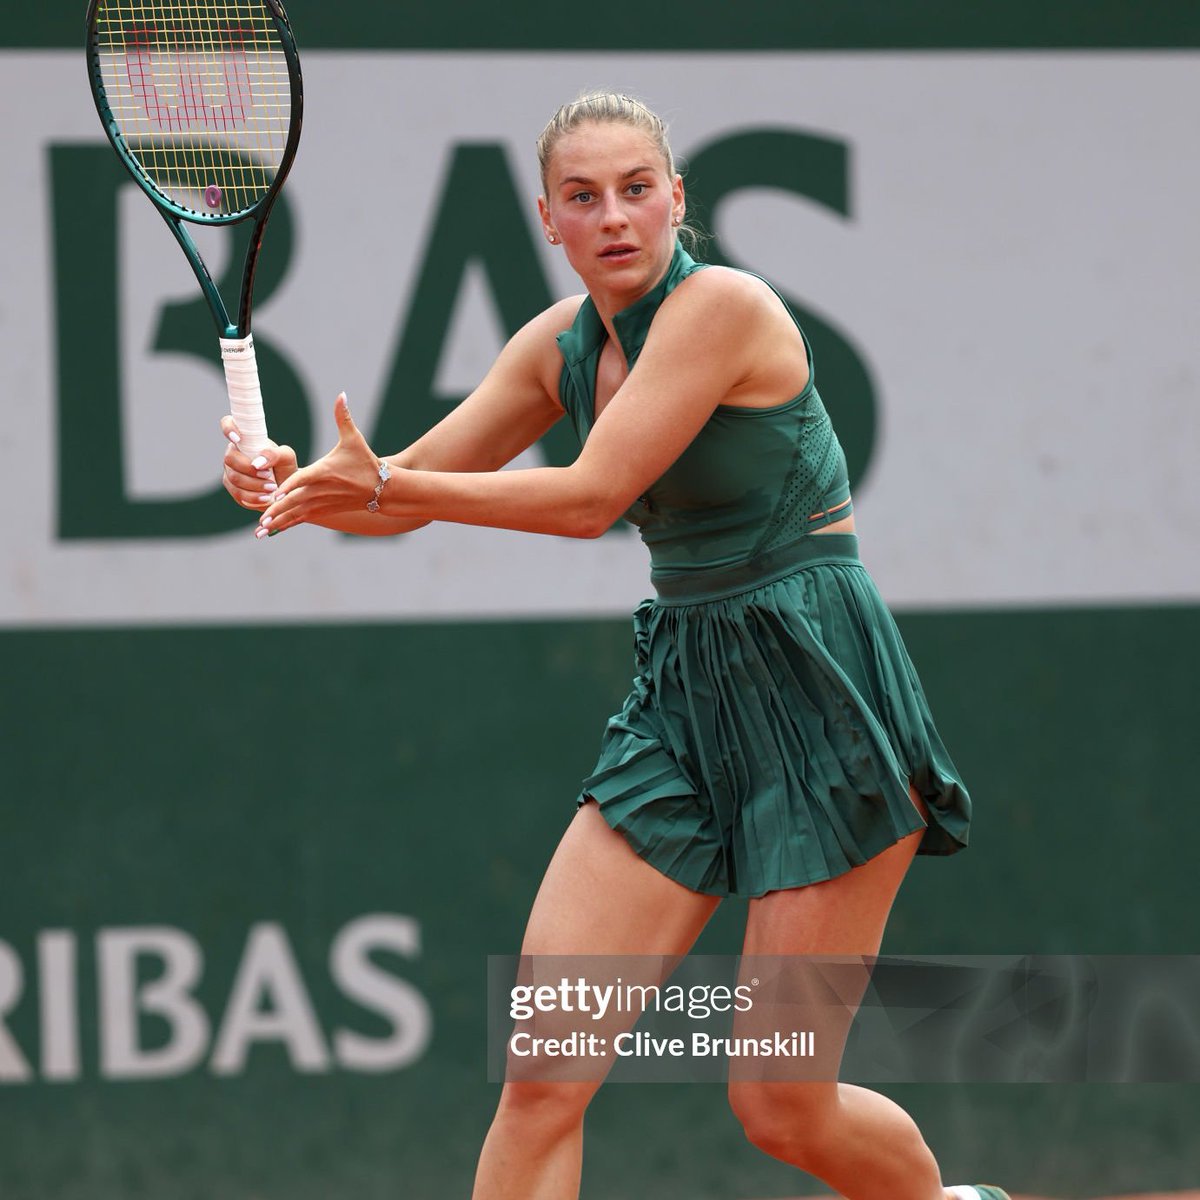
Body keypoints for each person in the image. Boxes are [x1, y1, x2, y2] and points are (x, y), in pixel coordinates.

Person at [221, 92, 1005, 1200]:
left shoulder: (725, 307)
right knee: (543, 1070)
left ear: (678, 198)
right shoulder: (555, 345)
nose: (616, 217)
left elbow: (590, 498)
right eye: (584, 198)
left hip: (824, 691)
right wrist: (293, 481)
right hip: (684, 703)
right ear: (549, 219)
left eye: (638, 189)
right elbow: (391, 501)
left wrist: (388, 481)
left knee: (781, 1103)